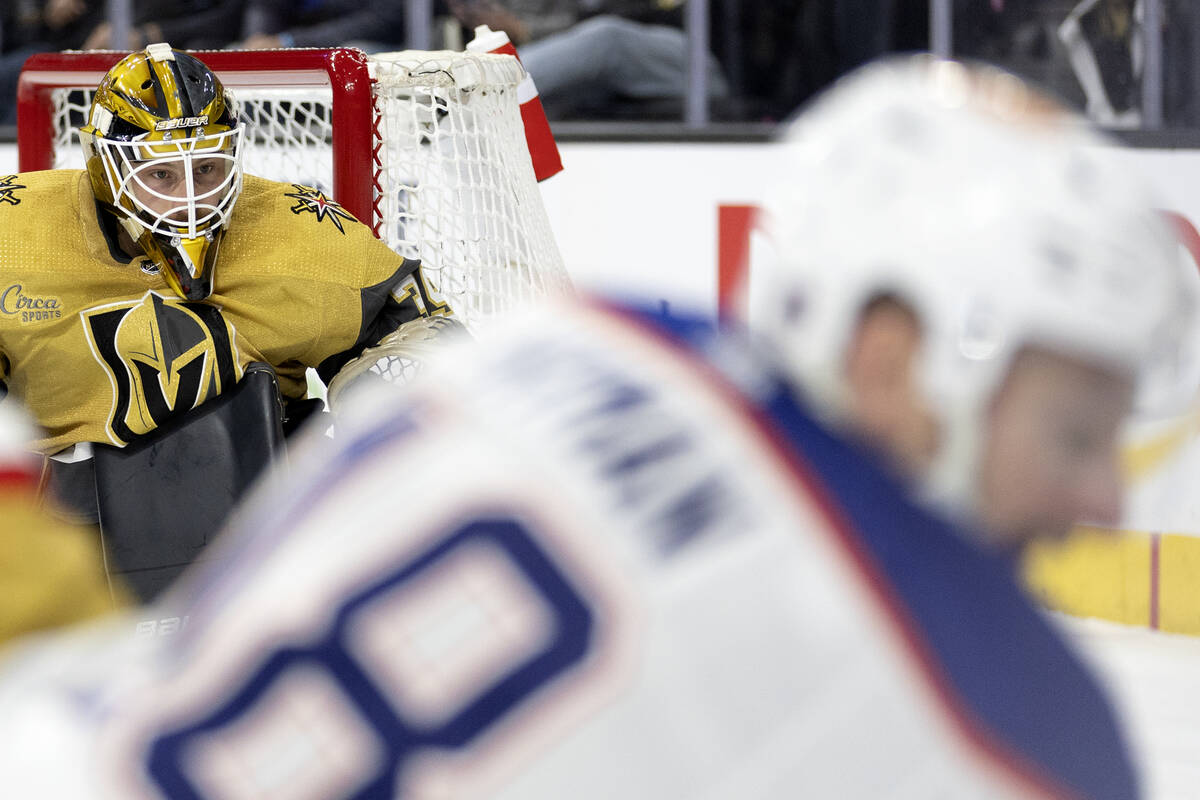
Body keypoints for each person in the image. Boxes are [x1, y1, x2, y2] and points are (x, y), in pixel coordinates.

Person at [0, 56, 1191, 797]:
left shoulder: (579, 347)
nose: (1103, 497)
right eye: (1078, 428)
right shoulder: (1018, 719)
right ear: (888, 348)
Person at [0, 44, 456, 595]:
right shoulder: (16, 230)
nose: (190, 198)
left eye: (208, 168)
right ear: (105, 167)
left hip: (261, 539)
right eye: (162, 174)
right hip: (62, 548)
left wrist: (384, 411)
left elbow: (421, 334)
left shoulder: (299, 230)